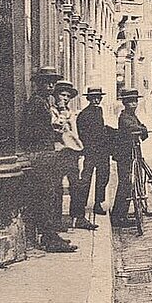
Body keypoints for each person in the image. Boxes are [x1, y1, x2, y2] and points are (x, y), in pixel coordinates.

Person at [20, 66, 77, 253]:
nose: (51, 84)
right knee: (45, 197)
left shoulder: (43, 102)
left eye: (53, 81)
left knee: (50, 195)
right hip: (41, 155)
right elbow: (29, 132)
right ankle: (49, 238)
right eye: (46, 81)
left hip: (46, 154)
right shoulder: (37, 103)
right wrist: (52, 133)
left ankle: (50, 235)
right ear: (38, 84)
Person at [52, 80, 96, 232]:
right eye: (62, 95)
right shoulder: (52, 111)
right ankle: (56, 221)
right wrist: (63, 115)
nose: (65, 98)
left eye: (68, 96)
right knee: (56, 187)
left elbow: (75, 133)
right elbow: (57, 129)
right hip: (58, 152)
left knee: (76, 185)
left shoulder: (72, 113)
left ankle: (78, 217)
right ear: (55, 96)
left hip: (72, 153)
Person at [110, 88, 148, 227]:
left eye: (135, 101)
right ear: (125, 103)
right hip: (124, 154)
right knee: (125, 183)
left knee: (129, 182)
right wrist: (143, 130)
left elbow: (141, 126)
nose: (134, 104)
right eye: (130, 102)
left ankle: (123, 213)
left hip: (132, 151)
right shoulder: (124, 117)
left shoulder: (132, 115)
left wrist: (143, 129)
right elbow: (134, 128)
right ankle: (118, 216)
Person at [76, 87, 111, 221]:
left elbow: (101, 129)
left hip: (102, 150)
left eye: (98, 97)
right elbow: (82, 134)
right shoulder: (84, 114)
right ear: (88, 99)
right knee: (86, 178)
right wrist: (88, 147)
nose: (96, 100)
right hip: (91, 151)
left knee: (103, 177)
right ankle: (81, 207)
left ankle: (98, 203)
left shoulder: (99, 110)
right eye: (93, 97)